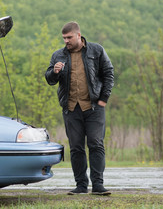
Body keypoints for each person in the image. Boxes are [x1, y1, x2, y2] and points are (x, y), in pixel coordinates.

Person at [45, 22, 114, 195]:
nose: (66, 41)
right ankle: (81, 186)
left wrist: (103, 100)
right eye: (64, 38)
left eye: (69, 37)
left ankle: (98, 185)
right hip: (70, 108)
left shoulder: (96, 50)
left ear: (78, 35)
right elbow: (49, 79)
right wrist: (54, 71)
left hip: (94, 107)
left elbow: (108, 74)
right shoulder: (58, 55)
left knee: (96, 144)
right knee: (76, 147)